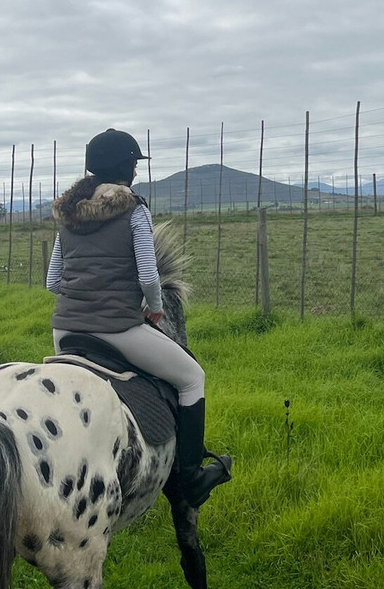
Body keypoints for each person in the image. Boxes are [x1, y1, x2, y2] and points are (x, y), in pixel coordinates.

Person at [46, 128, 231, 506]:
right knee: (193, 378)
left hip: (64, 332)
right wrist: (155, 307)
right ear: (126, 169)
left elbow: (52, 281)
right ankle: (192, 477)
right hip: (117, 330)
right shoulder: (134, 209)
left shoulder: (68, 216)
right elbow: (149, 275)